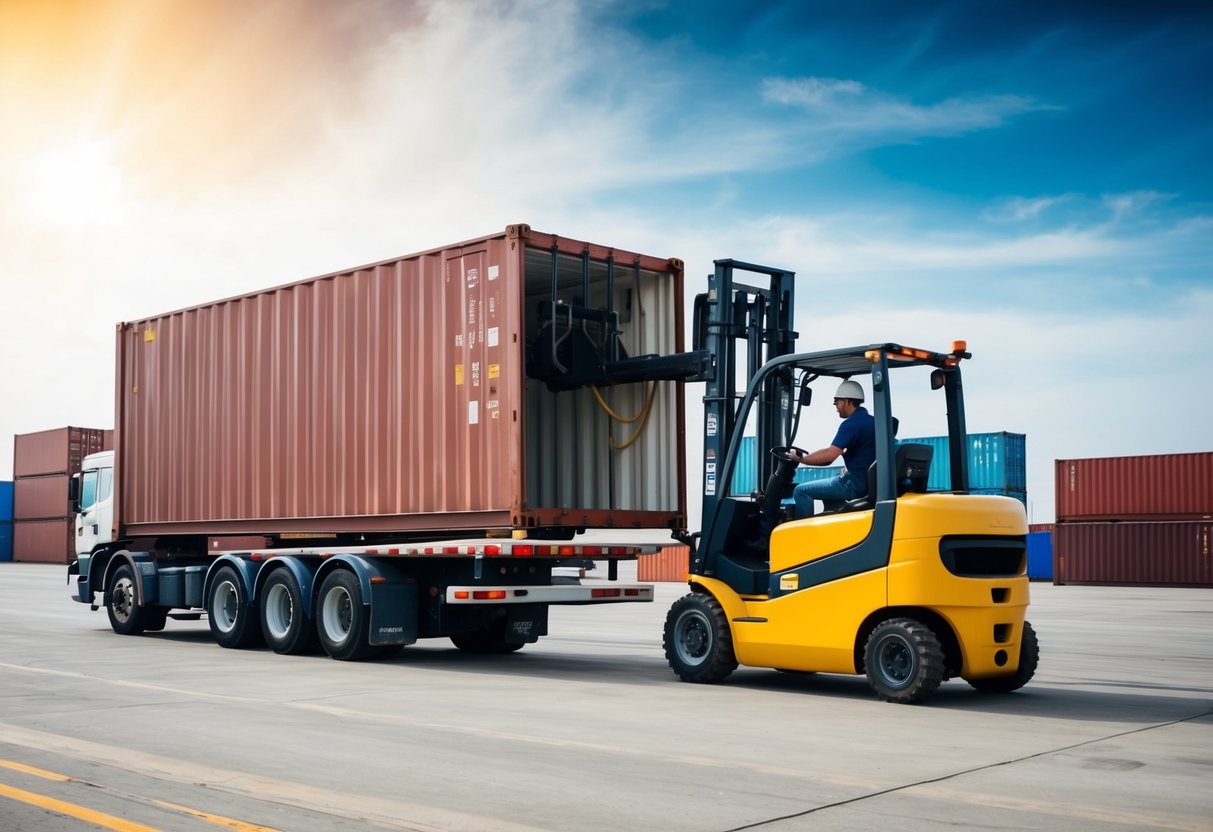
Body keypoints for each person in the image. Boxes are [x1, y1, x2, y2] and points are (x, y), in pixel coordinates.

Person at [790, 379, 876, 519]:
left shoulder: (851, 424)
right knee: (835, 478)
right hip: (866, 482)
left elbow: (829, 456)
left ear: (848, 401)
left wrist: (801, 459)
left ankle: (804, 535)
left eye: (837, 401)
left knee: (800, 491)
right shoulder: (873, 421)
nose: (835, 405)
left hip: (854, 485)